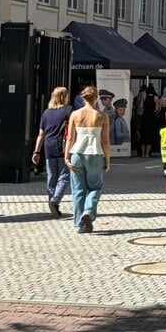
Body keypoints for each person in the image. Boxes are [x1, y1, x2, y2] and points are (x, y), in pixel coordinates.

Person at [65, 86, 111, 234]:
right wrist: (108, 159)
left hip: (77, 153)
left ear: (83, 98)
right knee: (95, 187)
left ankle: (79, 224)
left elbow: (70, 138)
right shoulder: (102, 116)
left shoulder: (75, 114)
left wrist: (67, 156)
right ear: (96, 97)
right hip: (95, 153)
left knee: (78, 191)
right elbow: (105, 140)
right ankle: (88, 211)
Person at [31, 86, 72, 218]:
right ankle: (55, 200)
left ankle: (53, 204)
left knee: (51, 177)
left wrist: (36, 152)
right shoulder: (68, 111)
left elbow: (41, 134)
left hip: (48, 146)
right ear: (64, 97)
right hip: (63, 146)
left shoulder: (46, 113)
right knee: (65, 175)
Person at [140, 84, 159, 158]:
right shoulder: (156, 98)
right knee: (150, 135)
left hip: (145, 117)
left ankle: (142, 153)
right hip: (152, 117)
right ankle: (147, 153)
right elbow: (157, 109)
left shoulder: (144, 95)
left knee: (143, 135)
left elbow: (141, 106)